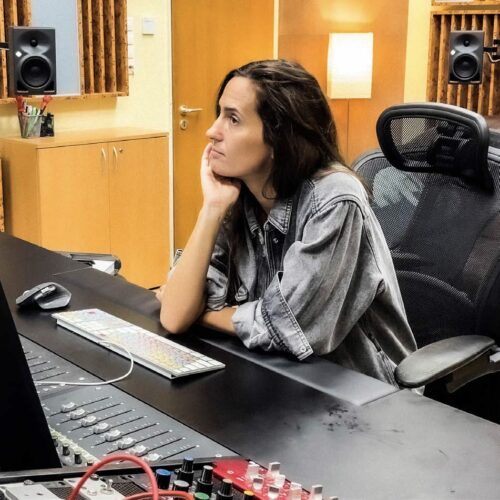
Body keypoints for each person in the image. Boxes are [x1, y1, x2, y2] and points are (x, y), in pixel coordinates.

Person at [157, 59, 417, 386]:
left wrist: (204, 313)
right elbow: (175, 315)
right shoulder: (239, 196)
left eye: (233, 119)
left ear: (279, 139)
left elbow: (287, 327)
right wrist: (211, 208)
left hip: (363, 391)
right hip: (279, 378)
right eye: (219, 113)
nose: (212, 131)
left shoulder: (335, 199)